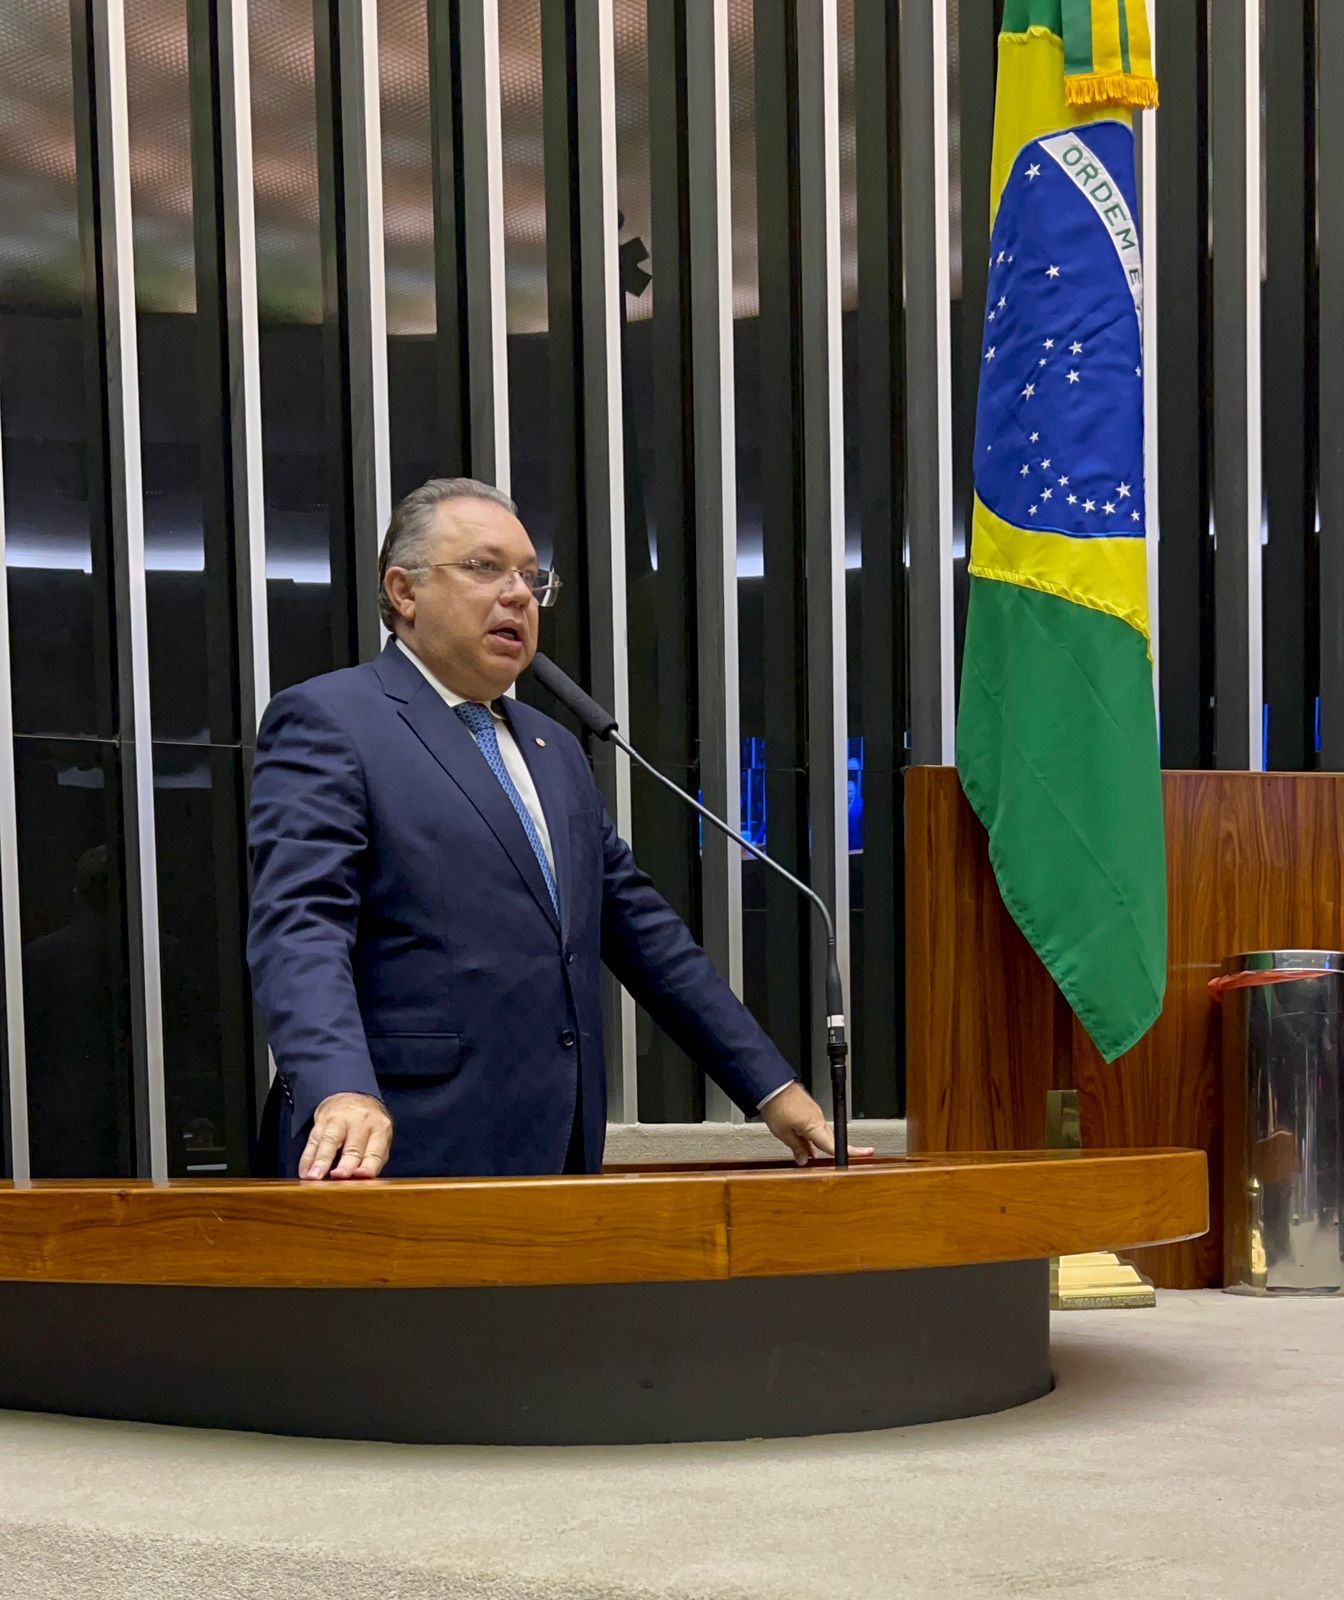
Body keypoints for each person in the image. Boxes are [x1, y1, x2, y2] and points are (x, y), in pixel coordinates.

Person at [247, 477, 865, 1180]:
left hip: (555, 1146)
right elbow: (302, 924)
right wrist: (339, 1087)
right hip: (394, 1146)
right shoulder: (333, 721)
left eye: (532, 579)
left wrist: (772, 1089)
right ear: (404, 590)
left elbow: (645, 937)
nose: (517, 595)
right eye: (484, 568)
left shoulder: (553, 747)